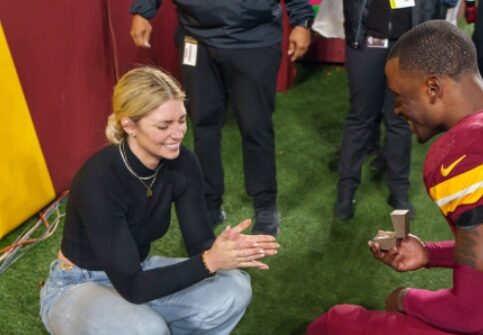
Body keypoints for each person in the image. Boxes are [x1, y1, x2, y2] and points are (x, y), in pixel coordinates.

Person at [308, 21, 483, 334]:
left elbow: (472, 316)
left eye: (400, 96)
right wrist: (429, 253)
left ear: (432, 87)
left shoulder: (471, 153)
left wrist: (404, 298)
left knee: (337, 323)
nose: (396, 110)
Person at [39, 67, 279, 335]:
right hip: (78, 284)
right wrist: (210, 261)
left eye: (182, 120)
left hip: (138, 271)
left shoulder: (183, 163)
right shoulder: (99, 180)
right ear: (129, 125)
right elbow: (134, 287)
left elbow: (199, 245)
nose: (178, 133)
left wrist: (225, 250)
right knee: (147, 330)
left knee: (235, 288)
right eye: (164, 125)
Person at [129, 0, 315, 235]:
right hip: (196, 37)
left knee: (255, 127)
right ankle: (210, 203)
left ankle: (265, 204)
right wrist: (143, 11)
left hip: (253, 39)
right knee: (203, 125)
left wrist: (302, 21)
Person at [334, 0, 441, 220]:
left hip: (409, 45)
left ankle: (398, 192)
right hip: (366, 39)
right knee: (360, 117)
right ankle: (346, 193)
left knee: (400, 120)